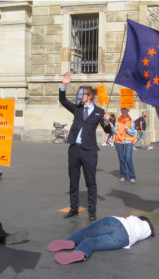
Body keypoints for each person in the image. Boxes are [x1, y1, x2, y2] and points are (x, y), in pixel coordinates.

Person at [59, 72, 110, 221]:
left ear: (89, 96)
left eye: (82, 94)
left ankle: (92, 210)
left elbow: (107, 131)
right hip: (74, 148)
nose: (80, 96)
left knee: (90, 182)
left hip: (89, 151)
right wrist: (64, 85)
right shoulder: (77, 109)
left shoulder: (100, 112)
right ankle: (73, 208)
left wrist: (106, 122)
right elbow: (63, 100)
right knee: (73, 180)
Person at [47, 215, 154, 264]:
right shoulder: (147, 233)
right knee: (92, 242)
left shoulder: (135, 218)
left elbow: (127, 219)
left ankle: (71, 241)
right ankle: (81, 252)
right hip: (124, 238)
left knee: (85, 233)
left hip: (113, 222)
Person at [114, 107, 137, 183]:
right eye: (122, 110)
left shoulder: (131, 120)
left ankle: (132, 176)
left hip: (128, 141)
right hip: (119, 141)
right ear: (121, 110)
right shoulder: (117, 120)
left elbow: (133, 132)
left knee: (128, 158)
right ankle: (123, 175)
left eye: (125, 110)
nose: (123, 111)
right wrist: (112, 127)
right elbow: (114, 130)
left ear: (127, 111)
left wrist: (127, 129)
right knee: (121, 158)